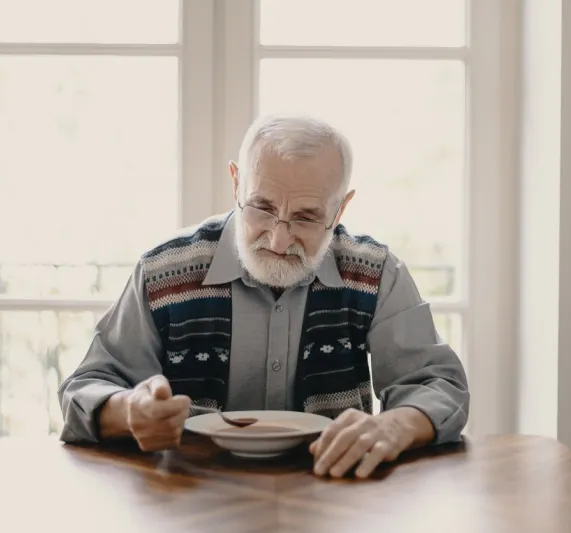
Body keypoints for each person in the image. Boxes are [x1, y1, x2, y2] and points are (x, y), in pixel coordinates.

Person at [58, 114, 470, 479]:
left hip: (337, 495)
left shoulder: (376, 273)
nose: (278, 238)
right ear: (237, 182)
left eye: (306, 217)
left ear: (340, 209)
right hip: (188, 497)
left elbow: (439, 384)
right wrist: (128, 411)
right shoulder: (163, 269)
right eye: (262, 207)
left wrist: (395, 424)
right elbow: (87, 387)